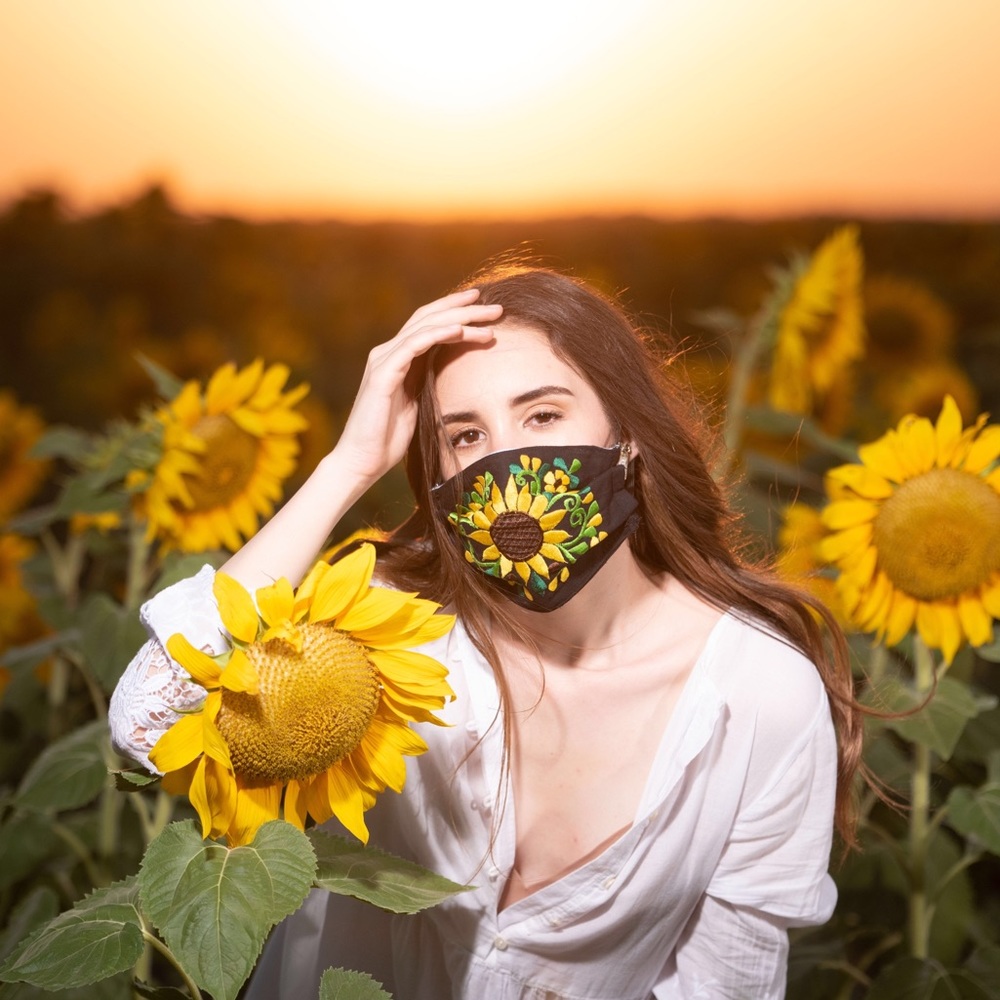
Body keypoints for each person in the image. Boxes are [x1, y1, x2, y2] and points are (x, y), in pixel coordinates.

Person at [110, 264, 863, 1000]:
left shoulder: (760, 692)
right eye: (466, 435)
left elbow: (726, 983)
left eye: (542, 415)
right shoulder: (382, 626)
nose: (505, 459)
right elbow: (146, 722)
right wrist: (349, 464)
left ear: (628, 434)